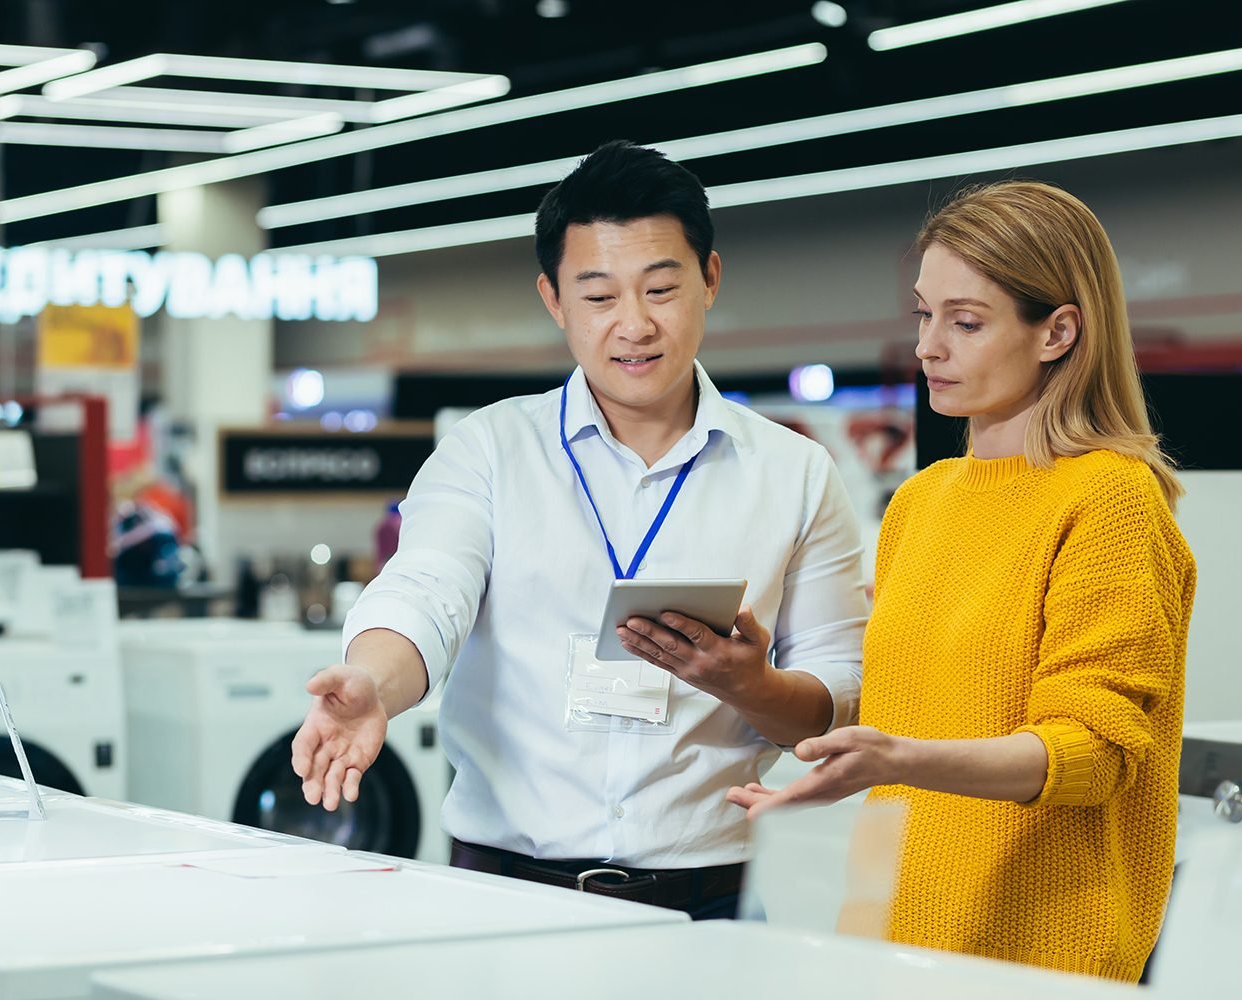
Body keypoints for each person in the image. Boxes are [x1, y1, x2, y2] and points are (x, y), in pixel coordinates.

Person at [292, 140, 869, 920]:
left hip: (713, 910)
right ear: (554, 301)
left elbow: (840, 695)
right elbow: (427, 593)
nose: (634, 325)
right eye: (598, 298)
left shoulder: (795, 473)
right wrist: (373, 686)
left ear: (710, 280)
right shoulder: (490, 450)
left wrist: (751, 687)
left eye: (661, 288)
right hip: (503, 905)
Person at [728, 180, 1196, 981]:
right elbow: (914, 712)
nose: (927, 347)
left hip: (1037, 958)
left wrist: (898, 758)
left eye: (966, 322)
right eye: (924, 313)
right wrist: (773, 700)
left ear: (1057, 332)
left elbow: (1090, 755)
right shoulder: (920, 502)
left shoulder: (1110, 497)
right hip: (886, 939)